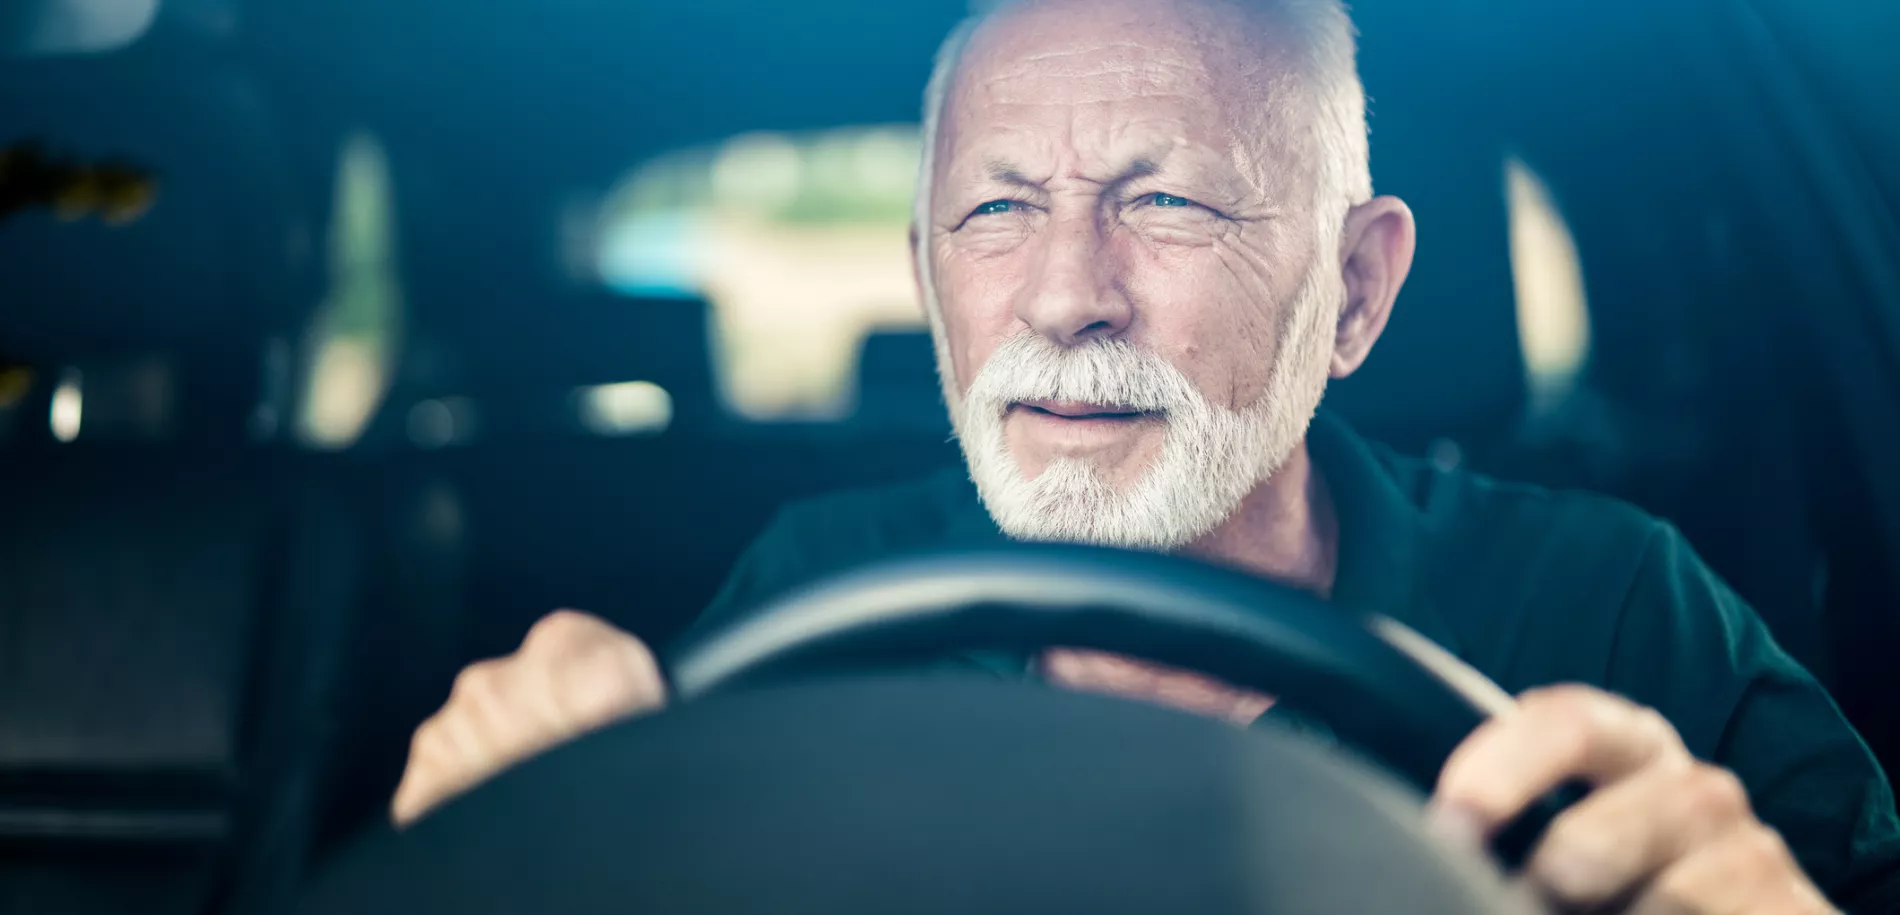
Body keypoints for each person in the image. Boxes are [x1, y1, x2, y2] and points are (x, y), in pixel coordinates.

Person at [389, 0, 1900, 911]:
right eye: (994, 212)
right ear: (929, 280)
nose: (1062, 295)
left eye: (1164, 203)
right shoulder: (809, 596)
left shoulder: (1613, 607)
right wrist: (485, 851)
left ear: (1356, 291)